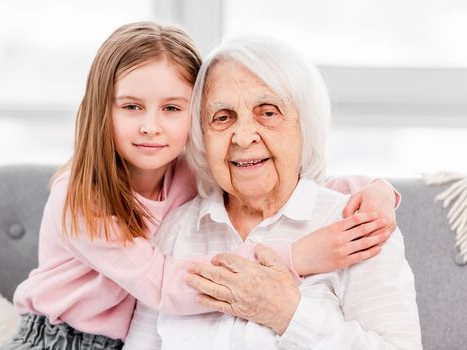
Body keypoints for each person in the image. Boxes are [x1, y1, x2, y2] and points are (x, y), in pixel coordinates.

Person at [0, 22, 400, 350]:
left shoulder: (187, 173)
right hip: (55, 339)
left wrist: (377, 190)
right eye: (131, 106)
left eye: (172, 108)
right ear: (100, 110)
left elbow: (293, 179)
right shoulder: (80, 199)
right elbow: (164, 286)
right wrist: (296, 257)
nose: (151, 126)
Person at [124, 36, 421, 349]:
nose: (243, 136)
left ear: (305, 124)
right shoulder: (177, 229)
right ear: (201, 135)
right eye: (222, 117)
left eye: (268, 113)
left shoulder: (355, 227)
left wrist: (288, 314)